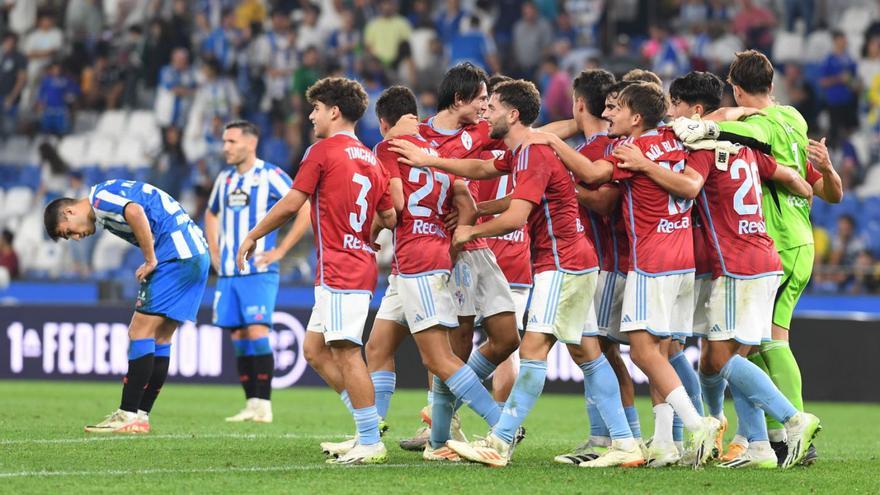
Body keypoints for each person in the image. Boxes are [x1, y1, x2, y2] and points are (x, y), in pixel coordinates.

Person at [390, 79, 643, 468]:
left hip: (561, 262)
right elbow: (480, 167)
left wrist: (471, 229)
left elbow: (518, 216)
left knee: (533, 350)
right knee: (589, 353)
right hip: (573, 260)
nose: (485, 113)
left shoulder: (534, 151)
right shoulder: (524, 150)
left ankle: (500, 439)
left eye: (491, 107)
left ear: (512, 114)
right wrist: (432, 162)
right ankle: (626, 443)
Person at [513, 82, 722, 467]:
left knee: (642, 352)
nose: (609, 114)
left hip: (650, 262)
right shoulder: (677, 141)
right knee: (661, 351)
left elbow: (593, 173)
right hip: (684, 262)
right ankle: (664, 443)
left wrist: (551, 144)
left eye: (617, 108)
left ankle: (698, 424)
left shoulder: (633, 149)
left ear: (636, 117)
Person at [672, 49, 843, 465]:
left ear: (735, 86)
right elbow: (827, 190)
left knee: (766, 341)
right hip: (799, 239)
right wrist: (826, 171)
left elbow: (728, 128)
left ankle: (791, 433)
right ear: (771, 84)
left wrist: (698, 121)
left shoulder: (761, 130)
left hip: (775, 240)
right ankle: (768, 435)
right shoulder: (794, 120)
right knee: (760, 342)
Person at [237, 77, 396, 465]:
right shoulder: (371, 159)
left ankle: (371, 439)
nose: (311, 116)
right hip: (351, 265)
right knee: (313, 350)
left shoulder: (322, 151)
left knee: (344, 351)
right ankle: (367, 427)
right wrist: (365, 236)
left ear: (334, 111)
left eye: (316, 109)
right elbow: (390, 214)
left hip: (343, 267)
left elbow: (293, 203)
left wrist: (254, 234)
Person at [354, 85, 498, 462]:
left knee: (439, 360)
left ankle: (503, 428)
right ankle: (372, 438)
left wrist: (367, 234)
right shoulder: (434, 151)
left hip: (417, 259)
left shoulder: (387, 148)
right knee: (377, 347)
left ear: (382, 122)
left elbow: (396, 207)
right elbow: (465, 199)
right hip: (422, 261)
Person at [398, 63, 520, 452]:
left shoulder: (481, 132)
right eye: (482, 99)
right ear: (459, 99)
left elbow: (533, 136)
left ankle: (447, 410)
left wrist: (582, 131)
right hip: (442, 251)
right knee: (454, 344)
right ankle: (442, 427)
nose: (487, 106)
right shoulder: (419, 136)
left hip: (474, 245)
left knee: (506, 338)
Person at [43, 180, 210, 433]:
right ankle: (140, 416)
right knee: (161, 337)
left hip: (174, 253)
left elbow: (134, 211)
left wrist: (150, 259)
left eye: (69, 232)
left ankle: (127, 414)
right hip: (195, 252)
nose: (76, 238)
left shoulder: (98, 200)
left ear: (69, 212)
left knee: (139, 332)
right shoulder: (106, 198)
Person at [553, 72, 645, 465]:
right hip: (619, 261)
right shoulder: (597, 145)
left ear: (577, 104)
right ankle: (629, 438)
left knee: (599, 351)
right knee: (608, 352)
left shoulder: (601, 149)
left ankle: (614, 440)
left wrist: (564, 189)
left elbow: (605, 202)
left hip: (611, 263)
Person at [205, 120, 298, 424]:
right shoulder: (225, 179)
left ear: (251, 143)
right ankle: (251, 403)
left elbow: (304, 207)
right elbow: (211, 212)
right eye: (224, 142)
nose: (225, 148)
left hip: (259, 270)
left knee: (258, 332)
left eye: (231, 141)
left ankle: (265, 404)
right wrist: (214, 250)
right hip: (229, 273)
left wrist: (281, 251)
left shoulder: (270, 175)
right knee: (238, 335)